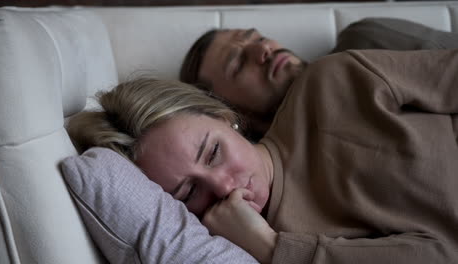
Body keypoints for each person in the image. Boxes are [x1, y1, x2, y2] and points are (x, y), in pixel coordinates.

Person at [68, 43, 458, 263]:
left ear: (226, 119)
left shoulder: (331, 83)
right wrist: (272, 250)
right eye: (188, 193)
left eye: (213, 152)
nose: (223, 187)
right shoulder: (261, 247)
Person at [180, 17, 458, 141]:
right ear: (224, 110)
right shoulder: (283, 180)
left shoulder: (363, 40)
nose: (263, 50)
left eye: (259, 38)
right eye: (238, 63)